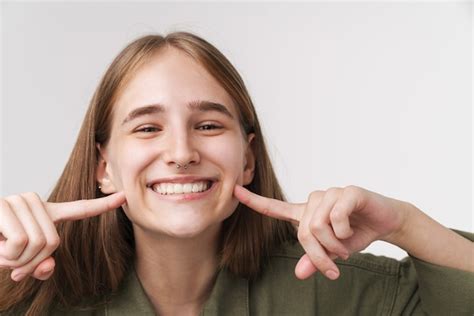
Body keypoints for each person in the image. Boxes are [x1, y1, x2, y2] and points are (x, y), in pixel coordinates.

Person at [0, 31, 473, 316]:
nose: (182, 152)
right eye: (148, 127)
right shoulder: (31, 299)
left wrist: (404, 224)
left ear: (247, 159)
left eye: (208, 125)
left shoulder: (337, 291)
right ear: (104, 166)